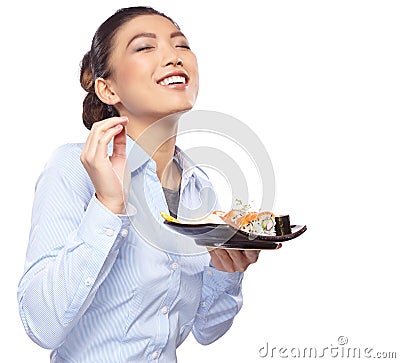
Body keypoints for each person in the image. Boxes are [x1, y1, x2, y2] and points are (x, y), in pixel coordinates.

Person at [17, 6, 259, 362]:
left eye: (181, 45)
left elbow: (207, 330)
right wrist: (108, 206)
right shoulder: (74, 167)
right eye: (145, 47)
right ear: (108, 88)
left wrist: (227, 271)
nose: (173, 57)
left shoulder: (197, 186)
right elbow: (42, 325)